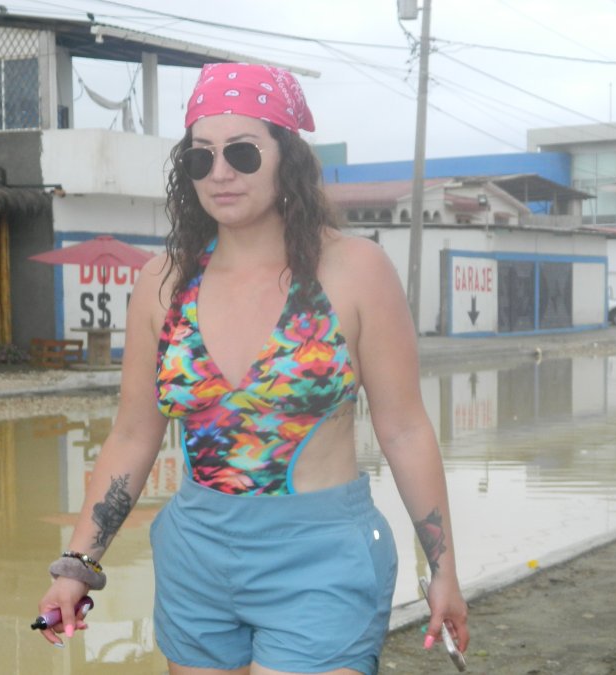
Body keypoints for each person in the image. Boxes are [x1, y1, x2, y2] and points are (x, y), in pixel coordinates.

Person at [36, 62, 469, 673]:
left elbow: (404, 429)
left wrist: (443, 572)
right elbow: (133, 435)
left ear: (286, 157)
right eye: (200, 157)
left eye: (242, 153)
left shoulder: (355, 271)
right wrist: (76, 567)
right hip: (196, 561)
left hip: (321, 560)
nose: (219, 173)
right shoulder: (161, 284)